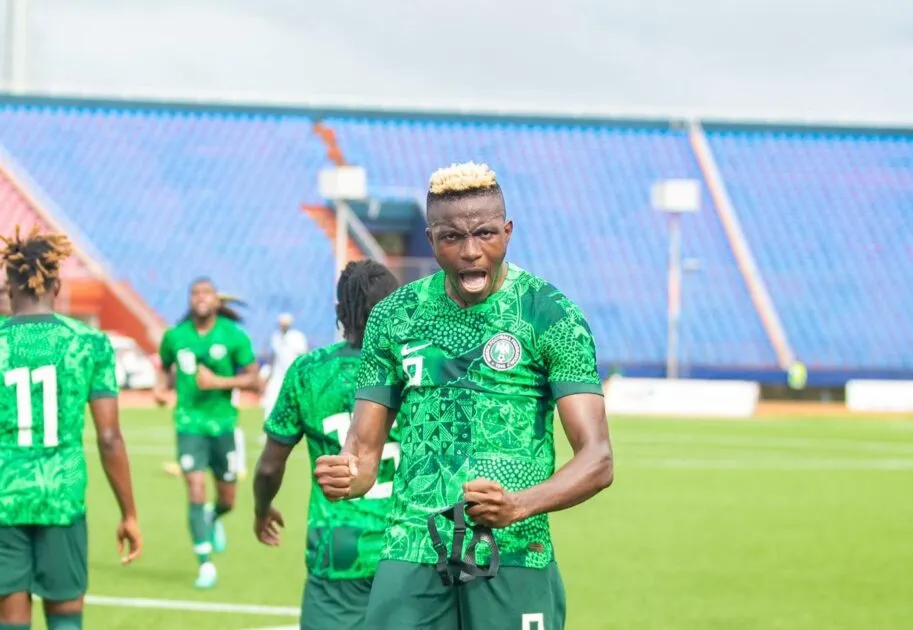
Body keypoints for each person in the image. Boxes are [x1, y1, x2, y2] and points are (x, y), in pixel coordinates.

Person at [314, 162, 614, 630]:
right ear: (431, 239)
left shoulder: (551, 315)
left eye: (485, 234)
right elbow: (363, 454)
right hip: (413, 544)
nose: (471, 251)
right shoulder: (394, 317)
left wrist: (518, 505)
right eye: (452, 237)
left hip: (513, 549)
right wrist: (346, 474)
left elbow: (597, 459)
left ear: (507, 232)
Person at [0, 226, 142, 630]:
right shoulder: (89, 343)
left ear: (9, 286)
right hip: (62, 498)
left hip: (4, 500)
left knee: (10, 617)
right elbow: (110, 438)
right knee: (65, 617)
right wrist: (129, 514)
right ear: (57, 286)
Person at [252, 260, 401, 630]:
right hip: (411, 549)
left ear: (340, 311)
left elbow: (270, 466)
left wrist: (262, 509)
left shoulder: (309, 371)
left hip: (339, 548)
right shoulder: (420, 371)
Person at [153, 278, 260, 590]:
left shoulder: (233, 336)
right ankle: (205, 563)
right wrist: (161, 389)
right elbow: (164, 366)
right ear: (190, 300)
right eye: (195, 293)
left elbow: (255, 381)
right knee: (196, 488)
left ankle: (213, 517)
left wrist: (219, 383)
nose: (200, 297)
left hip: (223, 425)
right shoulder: (175, 336)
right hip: (189, 424)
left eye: (206, 293)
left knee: (228, 500)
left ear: (216, 301)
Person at [261, 312, 309, 419]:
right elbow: (273, 357)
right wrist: (268, 373)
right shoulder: (276, 337)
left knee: (295, 402)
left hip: (293, 375)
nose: (283, 326)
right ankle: (268, 425)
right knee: (270, 401)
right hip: (277, 377)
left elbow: (304, 356)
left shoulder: (297, 337)